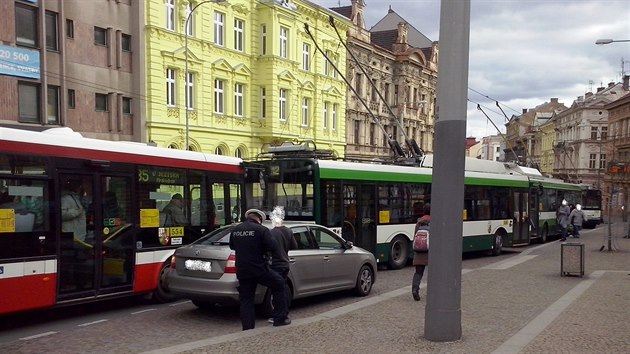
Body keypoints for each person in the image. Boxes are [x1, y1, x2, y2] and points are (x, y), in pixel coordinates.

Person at [229, 208, 290, 330]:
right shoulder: (261, 229)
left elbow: (232, 246)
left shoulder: (236, 229)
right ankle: (280, 318)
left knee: (246, 299)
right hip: (259, 269)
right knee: (279, 284)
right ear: (259, 219)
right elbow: (273, 247)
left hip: (242, 270)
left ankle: (247, 328)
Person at [267, 206, 298, 323]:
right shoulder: (288, 231)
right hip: (285, 264)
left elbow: (267, 248)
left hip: (275, 264)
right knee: (283, 289)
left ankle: (279, 315)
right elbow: (294, 246)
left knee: (276, 291)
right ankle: (284, 313)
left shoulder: (271, 233)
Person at [412, 203, 431, 301]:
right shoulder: (435, 221)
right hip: (431, 252)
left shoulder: (419, 222)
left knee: (418, 273)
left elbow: (415, 236)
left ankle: (415, 289)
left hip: (419, 251)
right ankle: (433, 292)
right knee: (433, 273)